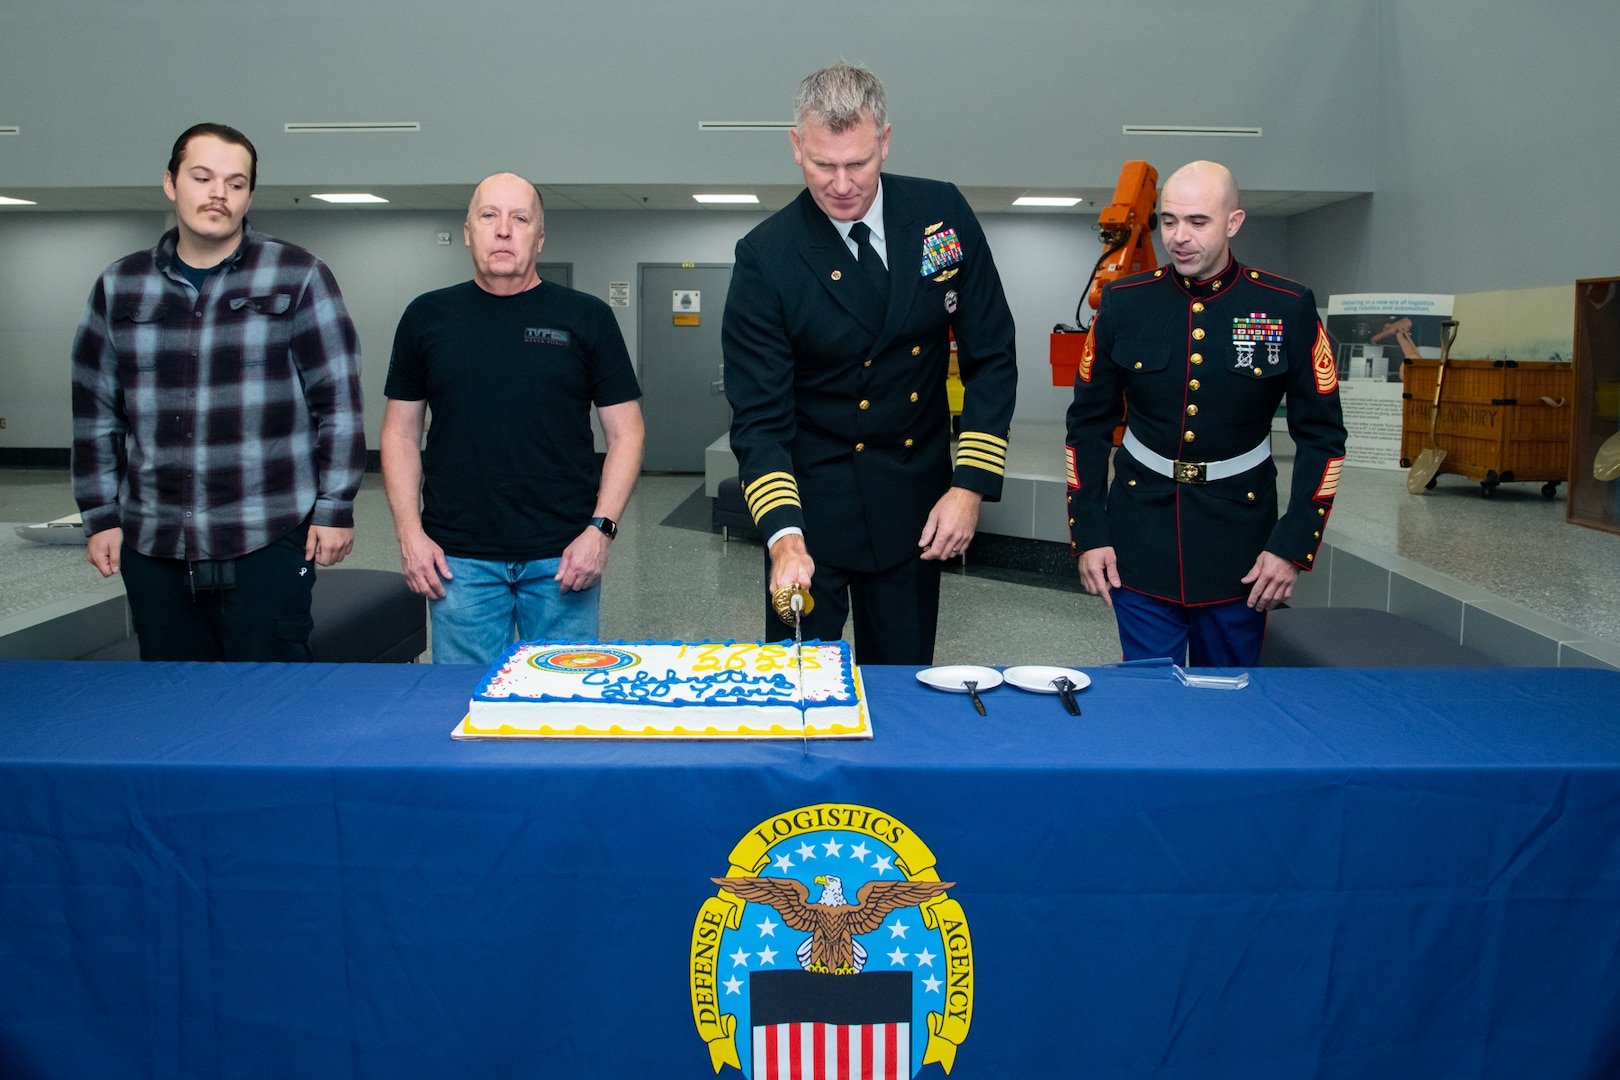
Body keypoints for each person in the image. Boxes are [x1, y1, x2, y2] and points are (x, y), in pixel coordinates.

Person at [723, 63, 1017, 665]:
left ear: (885, 141)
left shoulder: (942, 214)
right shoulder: (767, 257)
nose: (840, 184)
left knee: (905, 688)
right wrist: (783, 537)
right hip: (811, 508)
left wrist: (969, 487)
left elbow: (993, 357)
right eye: (821, 165)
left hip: (916, 506)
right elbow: (760, 419)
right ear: (795, 146)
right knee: (803, 689)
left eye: (857, 163)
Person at [71, 123, 365, 662]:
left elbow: (338, 406)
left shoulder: (298, 276)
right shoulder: (120, 285)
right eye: (202, 177)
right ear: (170, 182)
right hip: (153, 540)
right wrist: (100, 516)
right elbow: (95, 414)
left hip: (268, 533)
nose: (218, 194)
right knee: (175, 705)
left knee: (271, 701)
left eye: (235, 183)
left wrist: (335, 507)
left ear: (249, 194)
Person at [1065, 160, 1347, 667]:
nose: (1179, 237)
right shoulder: (1125, 303)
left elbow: (1323, 438)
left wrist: (1292, 544)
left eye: (1198, 222)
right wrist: (1089, 532)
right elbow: (1085, 425)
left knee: (1230, 701)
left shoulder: (1286, 306)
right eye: (1169, 221)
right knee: (1151, 700)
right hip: (1139, 534)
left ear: (1233, 223)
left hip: (1240, 544)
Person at [381, 173, 644, 666]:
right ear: (467, 231)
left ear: (539, 238)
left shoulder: (586, 318)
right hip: (457, 561)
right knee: (467, 709)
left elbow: (627, 432)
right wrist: (409, 534)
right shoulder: (427, 317)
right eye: (489, 216)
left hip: (565, 558)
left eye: (520, 218)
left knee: (565, 712)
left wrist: (600, 532)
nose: (504, 230)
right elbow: (399, 432)